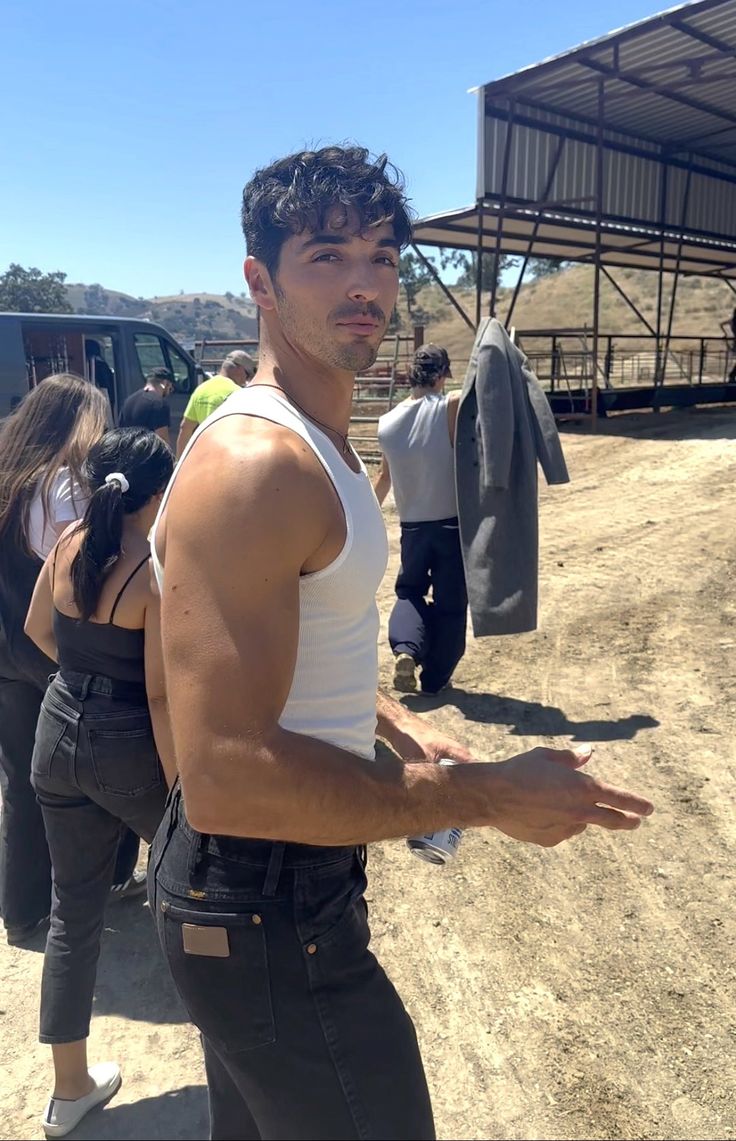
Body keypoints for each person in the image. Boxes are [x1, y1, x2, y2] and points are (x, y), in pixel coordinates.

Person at [148, 144, 654, 1141]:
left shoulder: (325, 442)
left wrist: (396, 726)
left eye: (381, 255)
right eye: (326, 255)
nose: (364, 284)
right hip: (262, 899)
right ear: (258, 280)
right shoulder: (260, 461)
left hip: (263, 897)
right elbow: (225, 774)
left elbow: (279, 647)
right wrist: (491, 793)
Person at [25, 427, 174, 1138]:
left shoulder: (65, 543)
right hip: (125, 744)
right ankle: (243, 1055)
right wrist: (181, 796)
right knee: (197, 886)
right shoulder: (151, 569)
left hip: (55, 731)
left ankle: (68, 1090)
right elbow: (160, 697)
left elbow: (37, 629)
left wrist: (80, 675)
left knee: (71, 911)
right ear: (159, 493)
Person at [0, 376, 141, 948]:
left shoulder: (10, 479)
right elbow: (83, 575)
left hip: (6, 648)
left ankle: (21, 906)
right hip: (50, 650)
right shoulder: (66, 488)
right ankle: (107, 877)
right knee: (99, 768)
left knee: (22, 782)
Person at [374, 343, 465, 695]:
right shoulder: (449, 407)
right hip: (451, 526)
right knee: (450, 605)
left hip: (412, 528)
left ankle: (406, 649)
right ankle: (436, 680)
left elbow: (383, 479)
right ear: (442, 375)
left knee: (409, 593)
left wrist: (363, 518)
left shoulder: (387, 423)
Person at [176, 349, 255, 458]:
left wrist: (180, 462)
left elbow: (185, 428)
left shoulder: (201, 390)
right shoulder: (239, 394)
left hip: (204, 457)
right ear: (240, 369)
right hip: (228, 458)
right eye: (247, 375)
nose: (246, 380)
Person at [118, 367, 173, 445]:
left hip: (127, 452)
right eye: (170, 388)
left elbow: (120, 431)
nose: (170, 391)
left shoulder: (128, 401)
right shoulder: (160, 404)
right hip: (147, 454)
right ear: (165, 383)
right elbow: (162, 438)